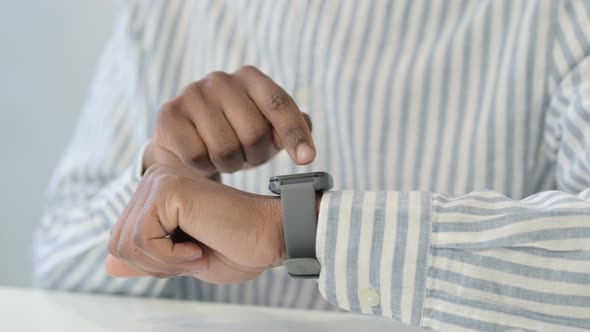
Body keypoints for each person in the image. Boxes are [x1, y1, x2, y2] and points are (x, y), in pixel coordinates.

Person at [34, 1, 590, 330]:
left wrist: (297, 231)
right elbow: (56, 265)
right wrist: (157, 185)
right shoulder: (168, 13)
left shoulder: (555, 17)